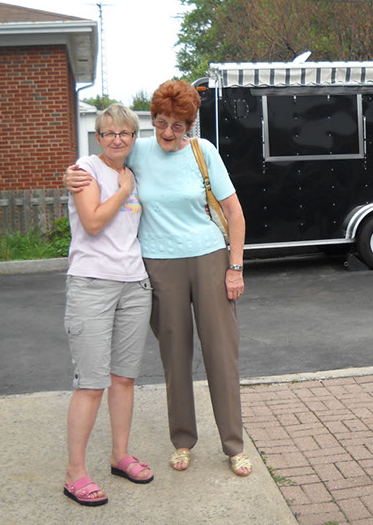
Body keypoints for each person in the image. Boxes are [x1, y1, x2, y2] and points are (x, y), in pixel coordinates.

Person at [66, 80, 251, 477]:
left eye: (178, 125)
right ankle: (182, 441)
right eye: (161, 123)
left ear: (190, 126)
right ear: (152, 121)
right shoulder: (139, 151)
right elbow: (104, 156)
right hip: (159, 265)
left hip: (208, 258)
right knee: (175, 356)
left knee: (221, 354)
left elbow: (234, 213)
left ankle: (233, 445)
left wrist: (235, 268)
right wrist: (70, 175)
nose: (168, 132)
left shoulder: (204, 152)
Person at [62, 104, 154, 507]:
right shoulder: (86, 169)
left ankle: (120, 456)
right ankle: (75, 473)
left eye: (125, 133)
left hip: (134, 284)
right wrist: (123, 189)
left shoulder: (133, 171)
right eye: (109, 133)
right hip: (93, 284)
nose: (118, 139)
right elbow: (94, 222)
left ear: (134, 137)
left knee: (124, 379)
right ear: (98, 137)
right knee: (91, 384)